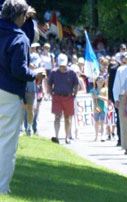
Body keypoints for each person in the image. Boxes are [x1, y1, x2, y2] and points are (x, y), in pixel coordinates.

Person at [0, 0, 44, 194]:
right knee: (7, 142)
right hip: (8, 92)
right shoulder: (19, 38)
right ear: (20, 16)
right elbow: (18, 71)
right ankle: (2, 188)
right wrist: (36, 74)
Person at [45, 54, 82, 144]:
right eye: (61, 66)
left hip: (68, 97)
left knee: (67, 118)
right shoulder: (54, 72)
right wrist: (50, 93)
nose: (62, 68)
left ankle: (67, 137)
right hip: (57, 97)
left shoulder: (72, 73)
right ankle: (56, 136)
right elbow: (49, 84)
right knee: (57, 117)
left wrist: (75, 94)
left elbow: (76, 84)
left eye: (64, 66)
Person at [113, 51, 127, 154]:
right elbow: (116, 85)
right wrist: (116, 99)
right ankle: (126, 147)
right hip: (123, 98)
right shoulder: (120, 70)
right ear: (125, 60)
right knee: (124, 123)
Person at [91, 77, 110, 141]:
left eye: (101, 81)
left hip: (103, 107)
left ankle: (102, 136)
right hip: (96, 107)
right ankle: (96, 136)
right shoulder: (93, 90)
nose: (100, 82)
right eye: (99, 81)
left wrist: (99, 96)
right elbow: (93, 98)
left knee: (102, 122)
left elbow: (107, 98)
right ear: (96, 82)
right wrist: (96, 105)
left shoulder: (106, 89)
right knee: (96, 122)